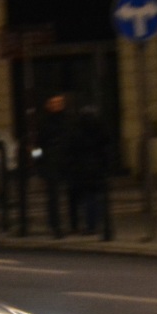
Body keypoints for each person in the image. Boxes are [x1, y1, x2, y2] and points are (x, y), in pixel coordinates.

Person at [66, 106, 111, 235]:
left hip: (81, 169)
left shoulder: (77, 129)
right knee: (95, 197)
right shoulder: (100, 128)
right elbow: (106, 147)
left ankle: (82, 225)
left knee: (83, 198)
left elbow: (71, 149)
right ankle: (94, 224)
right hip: (96, 167)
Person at [37, 93, 72, 238]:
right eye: (54, 103)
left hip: (65, 159)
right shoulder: (45, 123)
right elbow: (40, 145)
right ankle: (55, 226)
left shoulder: (67, 120)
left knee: (69, 193)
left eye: (59, 103)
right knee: (53, 196)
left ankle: (69, 224)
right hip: (52, 161)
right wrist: (40, 164)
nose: (57, 106)